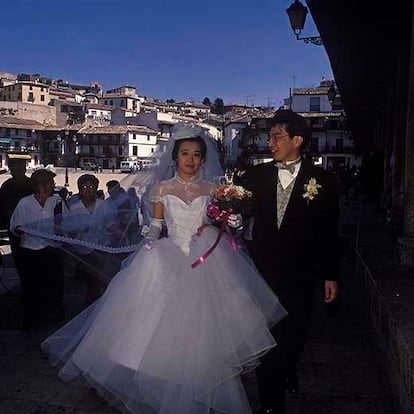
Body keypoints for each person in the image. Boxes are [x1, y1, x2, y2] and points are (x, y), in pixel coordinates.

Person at [40, 125, 287, 414]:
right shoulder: (162, 188)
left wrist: (232, 222)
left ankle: (198, 384)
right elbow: (156, 226)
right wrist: (145, 250)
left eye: (196, 154)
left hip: (206, 258)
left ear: (203, 159)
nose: (191, 159)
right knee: (158, 330)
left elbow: (223, 220)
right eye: (185, 153)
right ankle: (168, 385)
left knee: (205, 330)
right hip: (169, 255)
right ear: (175, 156)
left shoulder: (212, 189)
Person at [242, 109, 340, 414]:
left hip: (302, 272)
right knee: (268, 337)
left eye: (276, 137)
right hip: (262, 271)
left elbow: (329, 231)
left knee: (296, 334)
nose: (270, 142)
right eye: (268, 136)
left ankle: (287, 368)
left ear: (297, 140)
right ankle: (271, 405)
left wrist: (330, 275)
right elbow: (240, 212)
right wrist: (229, 216)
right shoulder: (255, 176)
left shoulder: (323, 180)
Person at [9, 169, 66, 329]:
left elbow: (66, 223)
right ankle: (33, 318)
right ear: (41, 186)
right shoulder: (25, 203)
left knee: (54, 285)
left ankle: (53, 316)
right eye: (51, 184)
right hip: (31, 251)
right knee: (32, 286)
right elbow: (15, 227)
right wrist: (28, 230)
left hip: (52, 250)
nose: (54, 186)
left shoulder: (57, 202)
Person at [0, 154, 33, 303]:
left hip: (31, 230)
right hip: (14, 229)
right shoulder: (7, 186)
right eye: (14, 167)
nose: (17, 170)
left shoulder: (30, 184)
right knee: (20, 261)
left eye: (20, 166)